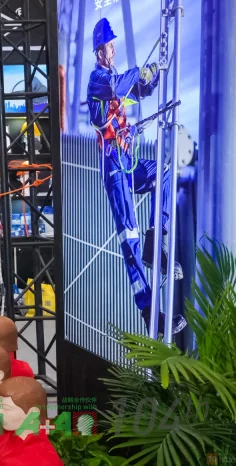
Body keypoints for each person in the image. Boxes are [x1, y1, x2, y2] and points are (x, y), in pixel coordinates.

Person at [87, 18, 185, 334]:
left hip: (129, 163)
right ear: (99, 51)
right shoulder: (97, 80)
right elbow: (118, 86)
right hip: (115, 170)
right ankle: (151, 314)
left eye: (113, 44)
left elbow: (136, 90)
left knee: (164, 173)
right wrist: (139, 73)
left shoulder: (114, 78)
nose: (112, 49)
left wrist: (153, 76)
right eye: (108, 45)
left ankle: (155, 240)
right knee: (129, 240)